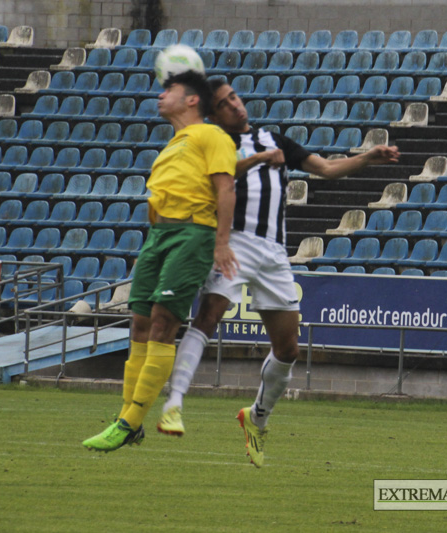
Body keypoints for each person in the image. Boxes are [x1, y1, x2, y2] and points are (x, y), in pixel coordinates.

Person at [156, 79, 400, 467]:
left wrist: (368, 157)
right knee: (209, 315)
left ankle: (255, 419)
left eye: (235, 97)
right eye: (224, 103)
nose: (235, 105)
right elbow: (210, 181)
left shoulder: (275, 138)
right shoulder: (212, 142)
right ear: (214, 115)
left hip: (273, 253)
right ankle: (174, 402)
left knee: (288, 349)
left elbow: (326, 169)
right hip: (233, 242)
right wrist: (255, 161)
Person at [82, 71, 239, 452]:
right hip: (159, 236)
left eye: (169, 90)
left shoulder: (211, 135)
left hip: (192, 234)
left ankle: (130, 420)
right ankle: (127, 419)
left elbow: (226, 188)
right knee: (139, 323)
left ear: (191, 100)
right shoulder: (174, 143)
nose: (160, 95)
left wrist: (220, 243)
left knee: (164, 324)